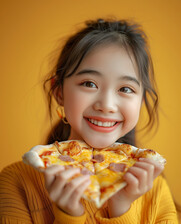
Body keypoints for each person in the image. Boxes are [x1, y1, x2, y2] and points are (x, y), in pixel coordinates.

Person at [0, 18, 178, 223]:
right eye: (89, 83)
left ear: (141, 100)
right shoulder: (17, 181)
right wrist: (68, 215)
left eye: (125, 89)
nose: (107, 105)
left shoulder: (155, 188)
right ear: (58, 91)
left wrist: (121, 208)